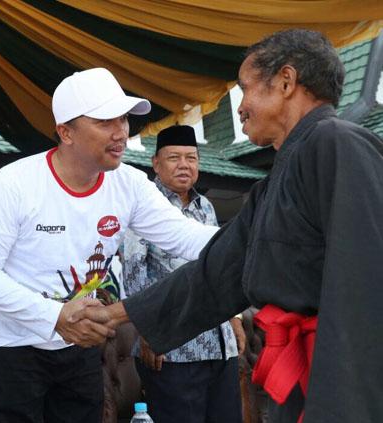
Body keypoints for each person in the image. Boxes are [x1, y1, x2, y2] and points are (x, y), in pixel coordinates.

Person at [73, 29, 383, 423]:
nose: (241, 107)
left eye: (246, 89)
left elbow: (364, 288)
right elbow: (216, 271)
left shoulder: (340, 144)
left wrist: (341, 404)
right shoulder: (275, 180)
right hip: (301, 375)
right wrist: (113, 315)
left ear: (286, 82)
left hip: (342, 379)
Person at [0, 67, 219, 423]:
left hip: (79, 341)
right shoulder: (14, 184)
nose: (121, 133)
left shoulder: (128, 184)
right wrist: (54, 316)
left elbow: (186, 237)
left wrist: (254, 237)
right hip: (9, 346)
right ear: (65, 132)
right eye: (104, 121)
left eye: (124, 119)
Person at [122, 125, 245, 423]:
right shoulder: (143, 205)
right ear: (156, 163)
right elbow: (134, 275)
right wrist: (149, 333)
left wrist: (235, 320)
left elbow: (219, 268)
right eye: (174, 157)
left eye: (191, 158)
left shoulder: (206, 207)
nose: (184, 165)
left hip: (219, 347)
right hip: (172, 349)